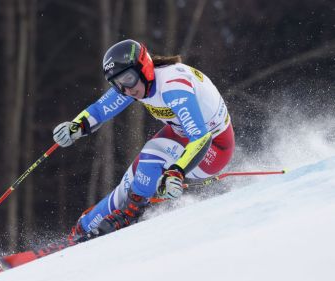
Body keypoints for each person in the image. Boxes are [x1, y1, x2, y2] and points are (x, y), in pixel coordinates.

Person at [53, 39, 235, 241]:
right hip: (183, 135)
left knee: (152, 154)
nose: (126, 90)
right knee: (132, 180)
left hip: (214, 148)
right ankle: (83, 228)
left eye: (128, 80)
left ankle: (130, 214)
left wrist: (177, 172)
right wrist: (75, 127)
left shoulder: (172, 86)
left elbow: (201, 136)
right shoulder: (135, 84)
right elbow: (100, 110)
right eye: (118, 84)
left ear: (144, 68)